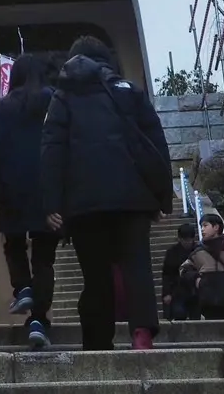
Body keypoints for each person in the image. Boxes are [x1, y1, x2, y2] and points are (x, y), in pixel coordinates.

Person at [41, 34, 173, 351]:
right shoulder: (128, 91)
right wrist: (160, 196)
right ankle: (141, 333)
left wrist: (51, 203)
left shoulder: (62, 98)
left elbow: (52, 150)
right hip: (132, 197)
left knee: (95, 273)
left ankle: (98, 343)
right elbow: (155, 143)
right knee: (137, 266)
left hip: (85, 203)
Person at [0, 53, 59, 348]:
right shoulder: (53, 100)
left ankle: (23, 288)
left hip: (14, 190)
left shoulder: (5, 105)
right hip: (47, 191)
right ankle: (39, 319)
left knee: (13, 244)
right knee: (44, 258)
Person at [178, 212, 224, 322]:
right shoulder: (198, 251)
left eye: (205, 225)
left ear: (216, 227)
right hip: (206, 304)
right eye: (201, 226)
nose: (202, 229)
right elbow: (184, 270)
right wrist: (197, 280)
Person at [161, 223, 200, 321]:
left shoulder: (198, 251)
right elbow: (166, 274)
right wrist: (167, 293)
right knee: (179, 314)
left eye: (189, 239)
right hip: (177, 291)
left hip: (195, 291)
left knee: (195, 317)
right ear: (179, 239)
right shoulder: (172, 252)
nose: (187, 242)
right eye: (184, 240)